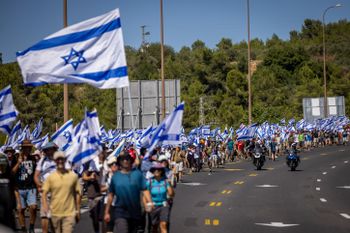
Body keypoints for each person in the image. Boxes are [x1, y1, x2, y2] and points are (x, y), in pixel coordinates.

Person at [104, 151, 153, 233]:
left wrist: (150, 202)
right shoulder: (116, 177)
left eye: (127, 159)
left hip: (135, 211)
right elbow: (111, 195)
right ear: (120, 162)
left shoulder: (137, 174)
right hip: (120, 211)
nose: (125, 161)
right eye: (123, 159)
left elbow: (144, 190)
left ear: (131, 161)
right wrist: (107, 211)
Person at [42, 151, 81, 233]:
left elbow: (77, 193)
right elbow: (44, 193)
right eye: (58, 159)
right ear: (55, 161)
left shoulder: (72, 176)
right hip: (55, 213)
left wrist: (77, 209)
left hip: (69, 213)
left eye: (62, 159)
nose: (60, 161)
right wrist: (45, 206)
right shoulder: (51, 177)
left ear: (65, 160)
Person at [12, 140, 37, 233]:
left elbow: (35, 172)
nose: (27, 149)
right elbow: (12, 172)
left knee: (33, 207)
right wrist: (18, 163)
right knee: (20, 209)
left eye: (29, 147)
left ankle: (31, 227)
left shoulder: (33, 158)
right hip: (19, 188)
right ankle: (23, 228)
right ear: (22, 148)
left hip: (31, 187)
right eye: (25, 147)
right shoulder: (16, 158)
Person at [34, 142, 58, 233]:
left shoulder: (60, 159)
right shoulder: (42, 161)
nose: (49, 151)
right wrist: (39, 185)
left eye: (50, 149)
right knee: (44, 214)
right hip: (45, 190)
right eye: (47, 150)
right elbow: (36, 176)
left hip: (58, 191)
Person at [146, 162, 175, 233]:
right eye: (155, 170)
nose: (156, 171)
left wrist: (170, 185)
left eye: (158, 170)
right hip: (153, 206)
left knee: (163, 224)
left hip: (163, 205)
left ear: (161, 171)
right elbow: (145, 194)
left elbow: (171, 194)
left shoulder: (165, 182)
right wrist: (147, 204)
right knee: (154, 226)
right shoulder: (149, 182)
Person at [0, 151, 16, 230]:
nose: (1, 168)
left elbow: (13, 189)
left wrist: (17, 202)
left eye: (3, 165)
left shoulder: (9, 177)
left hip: (7, 209)